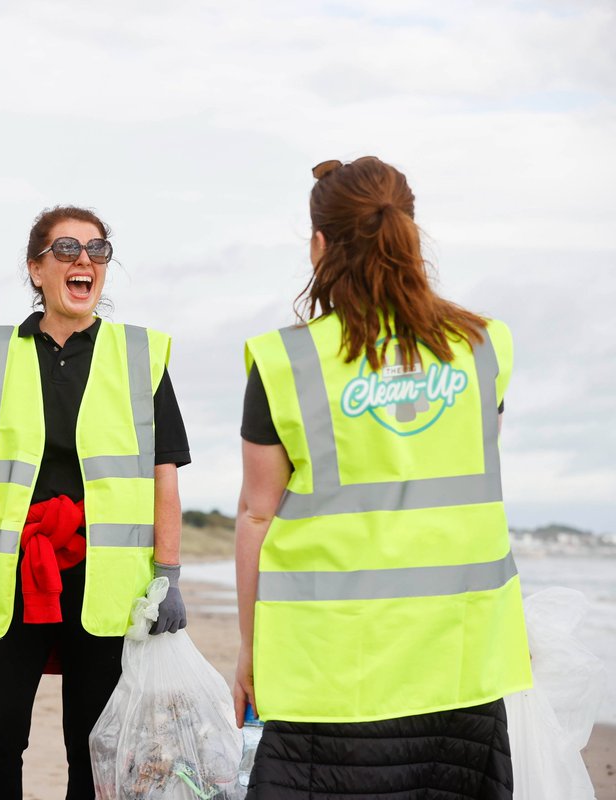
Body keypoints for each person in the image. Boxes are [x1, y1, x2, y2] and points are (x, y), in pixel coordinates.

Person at [233, 156, 532, 798]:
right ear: (409, 233)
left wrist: (251, 652)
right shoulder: (484, 346)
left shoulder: (288, 361)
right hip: (462, 660)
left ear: (319, 245)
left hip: (328, 665)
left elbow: (259, 514)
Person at [0, 206, 192, 800]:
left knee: (96, 742)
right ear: (36, 269)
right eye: (68, 249)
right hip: (11, 573)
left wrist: (169, 575)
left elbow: (164, 473)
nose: (85, 260)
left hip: (107, 580)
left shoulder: (141, 355)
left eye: (98, 251)